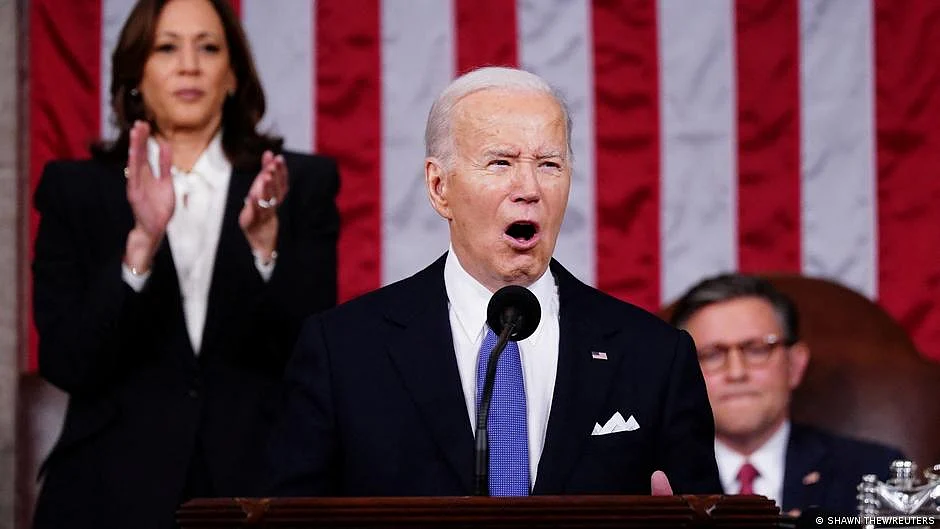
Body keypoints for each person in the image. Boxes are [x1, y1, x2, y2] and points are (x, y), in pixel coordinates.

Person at [266, 66, 721, 497]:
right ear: (439, 187)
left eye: (549, 164)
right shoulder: (344, 351)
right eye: (500, 163)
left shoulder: (654, 356)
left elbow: (703, 515)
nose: (529, 188)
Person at [30, 0, 339, 527]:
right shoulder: (73, 190)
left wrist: (266, 250)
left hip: (256, 491)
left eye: (209, 47)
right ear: (135, 74)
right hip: (105, 494)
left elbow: (308, 358)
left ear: (233, 74)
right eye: (167, 47)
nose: (189, 65)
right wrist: (139, 250)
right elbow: (67, 361)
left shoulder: (297, 185)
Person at [669, 273, 905, 515]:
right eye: (712, 354)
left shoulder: (874, 473)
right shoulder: (649, 479)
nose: (736, 372)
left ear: (794, 364)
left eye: (757, 349)